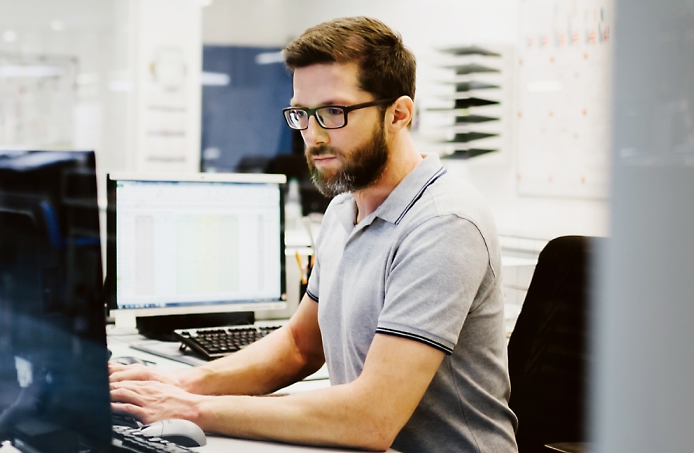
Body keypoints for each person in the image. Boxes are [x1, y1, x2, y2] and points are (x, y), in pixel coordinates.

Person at [109, 17, 518, 452]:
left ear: (399, 114)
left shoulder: (443, 223)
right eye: (303, 114)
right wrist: (185, 382)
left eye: (334, 112)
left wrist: (189, 408)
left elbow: (370, 417)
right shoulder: (345, 208)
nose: (314, 136)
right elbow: (300, 346)